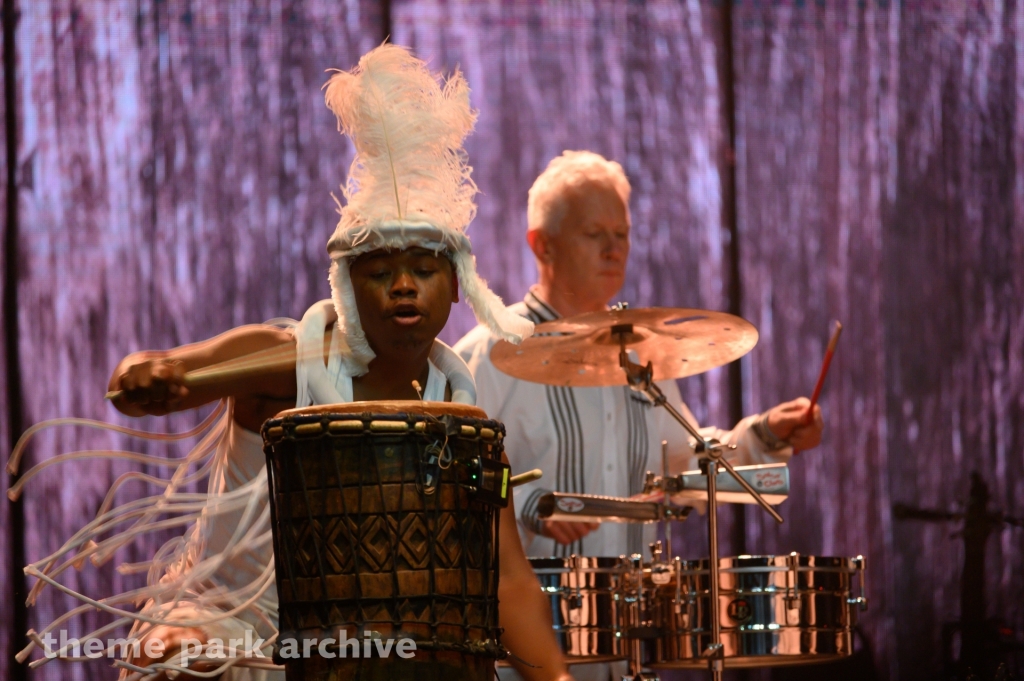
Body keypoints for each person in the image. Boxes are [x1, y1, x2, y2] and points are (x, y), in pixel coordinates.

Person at [11, 45, 568, 681]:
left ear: (457, 283)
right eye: (381, 272)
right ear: (347, 287)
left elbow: (509, 582)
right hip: (242, 629)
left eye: (424, 269)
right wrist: (157, 375)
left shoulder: (463, 424)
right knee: (180, 659)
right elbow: (157, 373)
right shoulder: (287, 361)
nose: (405, 287)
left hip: (382, 652)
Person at [455, 150, 825, 559]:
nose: (615, 250)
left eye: (622, 233)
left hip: (636, 611)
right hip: (526, 615)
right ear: (543, 246)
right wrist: (525, 503)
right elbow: (451, 474)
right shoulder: (485, 354)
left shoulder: (641, 352)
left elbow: (682, 468)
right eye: (595, 234)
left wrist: (767, 433)